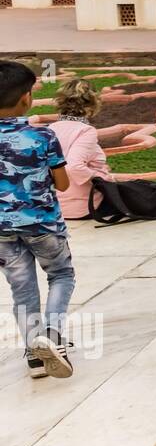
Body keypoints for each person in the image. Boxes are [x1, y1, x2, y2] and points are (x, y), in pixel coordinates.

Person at [0, 60, 76, 379]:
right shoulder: (43, 136)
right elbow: (62, 184)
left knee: (22, 290)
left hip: (2, 231)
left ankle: (34, 354)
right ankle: (54, 337)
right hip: (43, 225)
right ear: (26, 98)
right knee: (61, 275)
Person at [49, 79, 111, 221]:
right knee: (143, 197)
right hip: (84, 207)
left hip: (56, 207)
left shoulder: (51, 129)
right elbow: (74, 166)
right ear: (92, 105)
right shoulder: (85, 131)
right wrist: (103, 178)